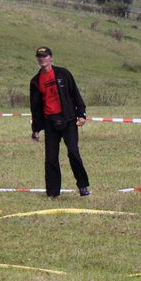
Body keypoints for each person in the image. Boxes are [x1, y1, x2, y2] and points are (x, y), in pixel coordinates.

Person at [29, 46, 91, 198]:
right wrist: (35, 129)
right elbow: (35, 107)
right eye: (39, 56)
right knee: (51, 158)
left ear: (51, 58)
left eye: (45, 56)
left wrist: (81, 114)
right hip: (50, 122)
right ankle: (52, 193)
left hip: (68, 119)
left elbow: (75, 94)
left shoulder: (63, 74)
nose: (42, 58)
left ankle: (83, 186)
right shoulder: (35, 81)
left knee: (73, 152)